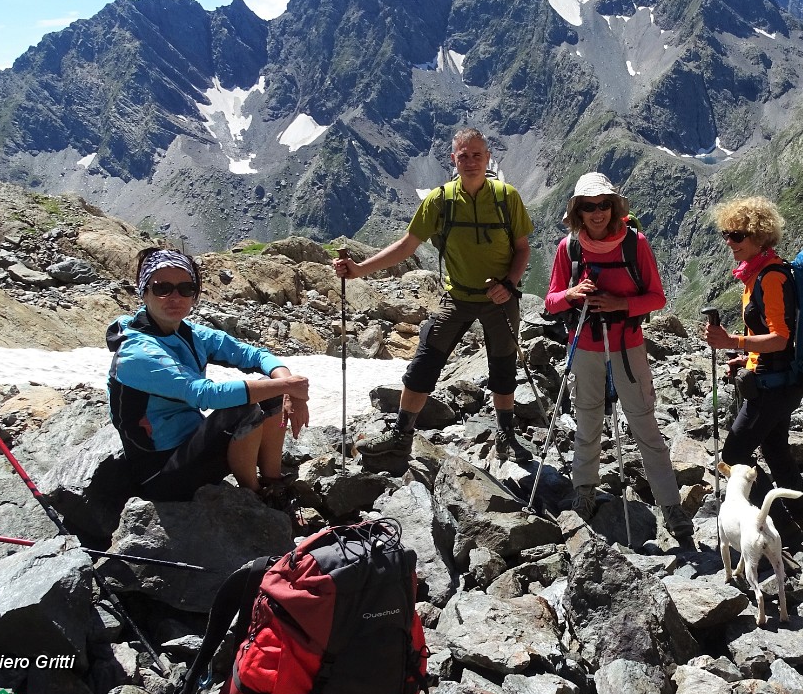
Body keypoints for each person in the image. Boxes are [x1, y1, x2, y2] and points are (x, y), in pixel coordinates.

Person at [334, 128, 532, 458]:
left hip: (501, 298)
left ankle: (505, 434)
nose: (470, 162)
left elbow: (523, 249)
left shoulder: (506, 197)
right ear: (452, 159)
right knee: (424, 362)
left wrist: (509, 284)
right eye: (463, 156)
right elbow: (406, 246)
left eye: (477, 155)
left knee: (503, 366)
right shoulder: (440, 200)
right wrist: (358, 271)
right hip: (458, 297)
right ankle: (401, 435)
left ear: (488, 158)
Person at [544, 173, 693, 543]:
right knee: (588, 422)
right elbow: (550, 302)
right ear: (578, 211)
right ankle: (585, 491)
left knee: (644, 425)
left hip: (627, 348)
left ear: (614, 207)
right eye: (589, 206)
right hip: (586, 347)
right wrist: (574, 292)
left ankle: (672, 508)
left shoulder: (634, 243)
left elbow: (657, 298)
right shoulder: (569, 248)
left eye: (603, 205)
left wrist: (620, 304)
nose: (597, 213)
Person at [107, 247, 311, 502]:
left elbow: (254, 355)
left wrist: (288, 387)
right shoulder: (137, 352)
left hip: (189, 448)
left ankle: (273, 482)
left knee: (270, 389)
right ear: (144, 291)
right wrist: (290, 386)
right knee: (244, 408)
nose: (175, 297)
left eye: (186, 289)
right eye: (162, 288)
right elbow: (204, 394)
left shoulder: (188, 333)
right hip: (159, 474)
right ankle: (257, 497)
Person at [704, 196, 803, 549]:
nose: (729, 242)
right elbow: (768, 338)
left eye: (737, 235)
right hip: (774, 379)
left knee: (733, 457)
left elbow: (781, 338)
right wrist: (747, 359)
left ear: (759, 236)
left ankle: (775, 526)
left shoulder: (770, 277)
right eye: (726, 233)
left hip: (774, 385)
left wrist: (732, 342)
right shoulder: (758, 274)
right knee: (777, 452)